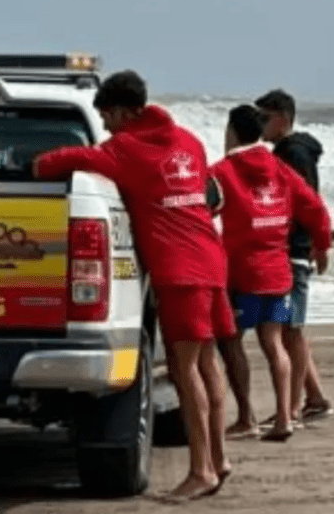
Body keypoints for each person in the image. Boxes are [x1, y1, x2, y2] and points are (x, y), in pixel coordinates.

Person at [33, 70, 232, 501]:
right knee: (208, 363)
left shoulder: (125, 149)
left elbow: (61, 160)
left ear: (124, 112)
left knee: (184, 370)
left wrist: (33, 161)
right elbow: (206, 190)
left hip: (179, 269)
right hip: (212, 259)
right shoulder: (189, 141)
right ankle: (219, 458)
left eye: (107, 116)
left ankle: (201, 470)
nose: (105, 125)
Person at [211, 105, 332, 442]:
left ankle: (246, 417)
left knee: (231, 339)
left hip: (245, 275)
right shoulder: (279, 168)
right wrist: (321, 245)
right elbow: (315, 207)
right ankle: (284, 418)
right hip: (279, 274)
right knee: (273, 342)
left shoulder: (222, 171)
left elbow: (199, 208)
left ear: (232, 132)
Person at [255, 89, 334, 423]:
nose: (259, 125)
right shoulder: (288, 152)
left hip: (293, 250)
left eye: (264, 117)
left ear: (281, 119)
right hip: (291, 248)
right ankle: (314, 398)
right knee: (290, 328)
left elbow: (307, 202)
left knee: (290, 329)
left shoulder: (294, 154)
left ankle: (291, 407)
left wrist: (318, 242)